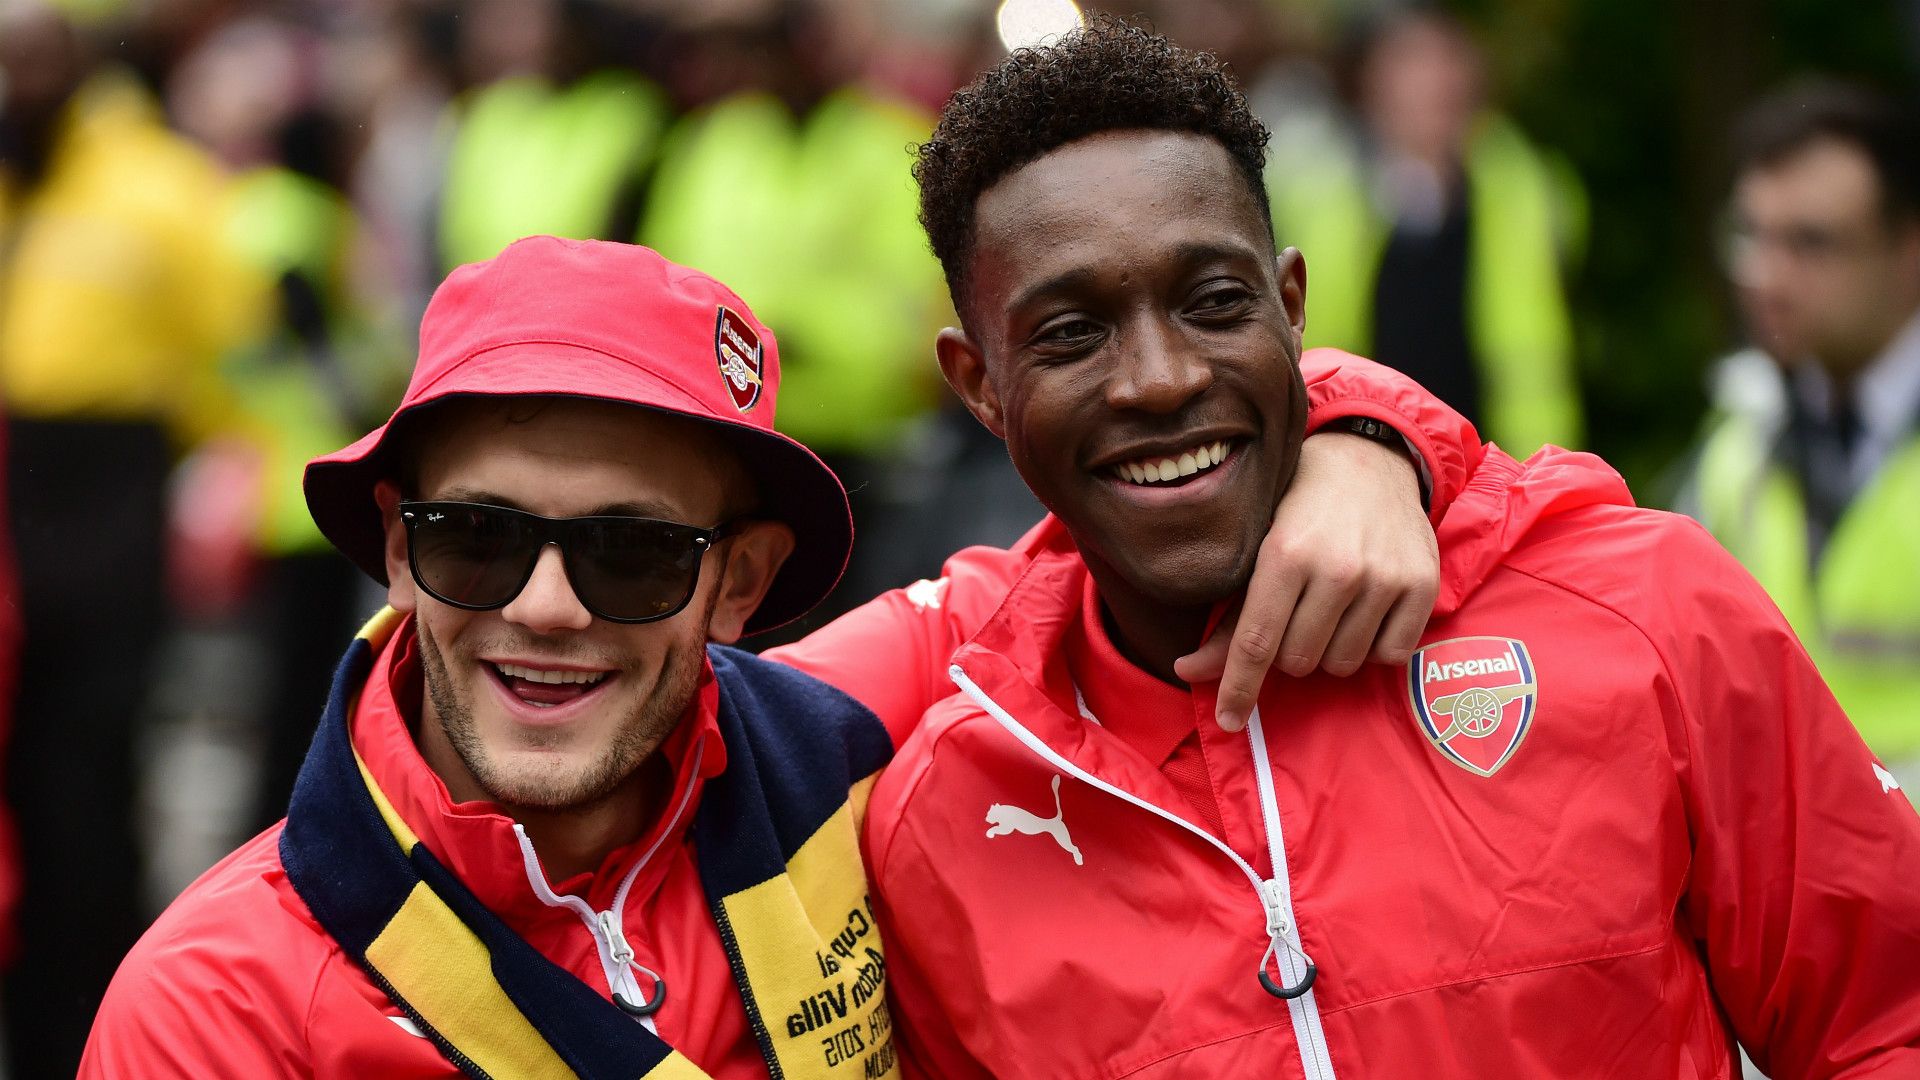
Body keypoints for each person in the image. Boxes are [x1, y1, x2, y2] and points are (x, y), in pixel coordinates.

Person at [79, 234, 1461, 1077]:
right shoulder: (219, 1007)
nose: (550, 607)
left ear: (738, 586)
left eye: (633, 557)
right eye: (478, 541)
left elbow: (1104, 532)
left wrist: (1362, 435)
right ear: (395, 550)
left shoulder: (830, 734)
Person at [857, 19, 1920, 1079]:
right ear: (980, 387)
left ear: (1292, 307)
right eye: (1071, 334)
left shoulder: (1644, 609)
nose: (1162, 377)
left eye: (1215, 302)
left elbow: (1886, 1027)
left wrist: (1390, 441)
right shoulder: (940, 822)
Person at [0, 6, 268, 1073]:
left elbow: (236, 363)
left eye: (30, 55)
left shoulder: (164, 187)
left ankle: (94, 1032)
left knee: (87, 787)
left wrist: (227, 491)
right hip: (12, 491)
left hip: (108, 505)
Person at [1679, 81, 1920, 791]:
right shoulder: (1739, 444)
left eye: (1811, 242)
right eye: (1750, 236)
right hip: (1793, 887)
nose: (1765, 276)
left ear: (1909, 250)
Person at [1266, 8, 1585, 457]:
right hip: (1365, 452)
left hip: (1501, 458)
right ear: (1368, 79)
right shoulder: (1316, 184)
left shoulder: (1518, 182)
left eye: (1447, 60)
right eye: (1411, 62)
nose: (1436, 83)